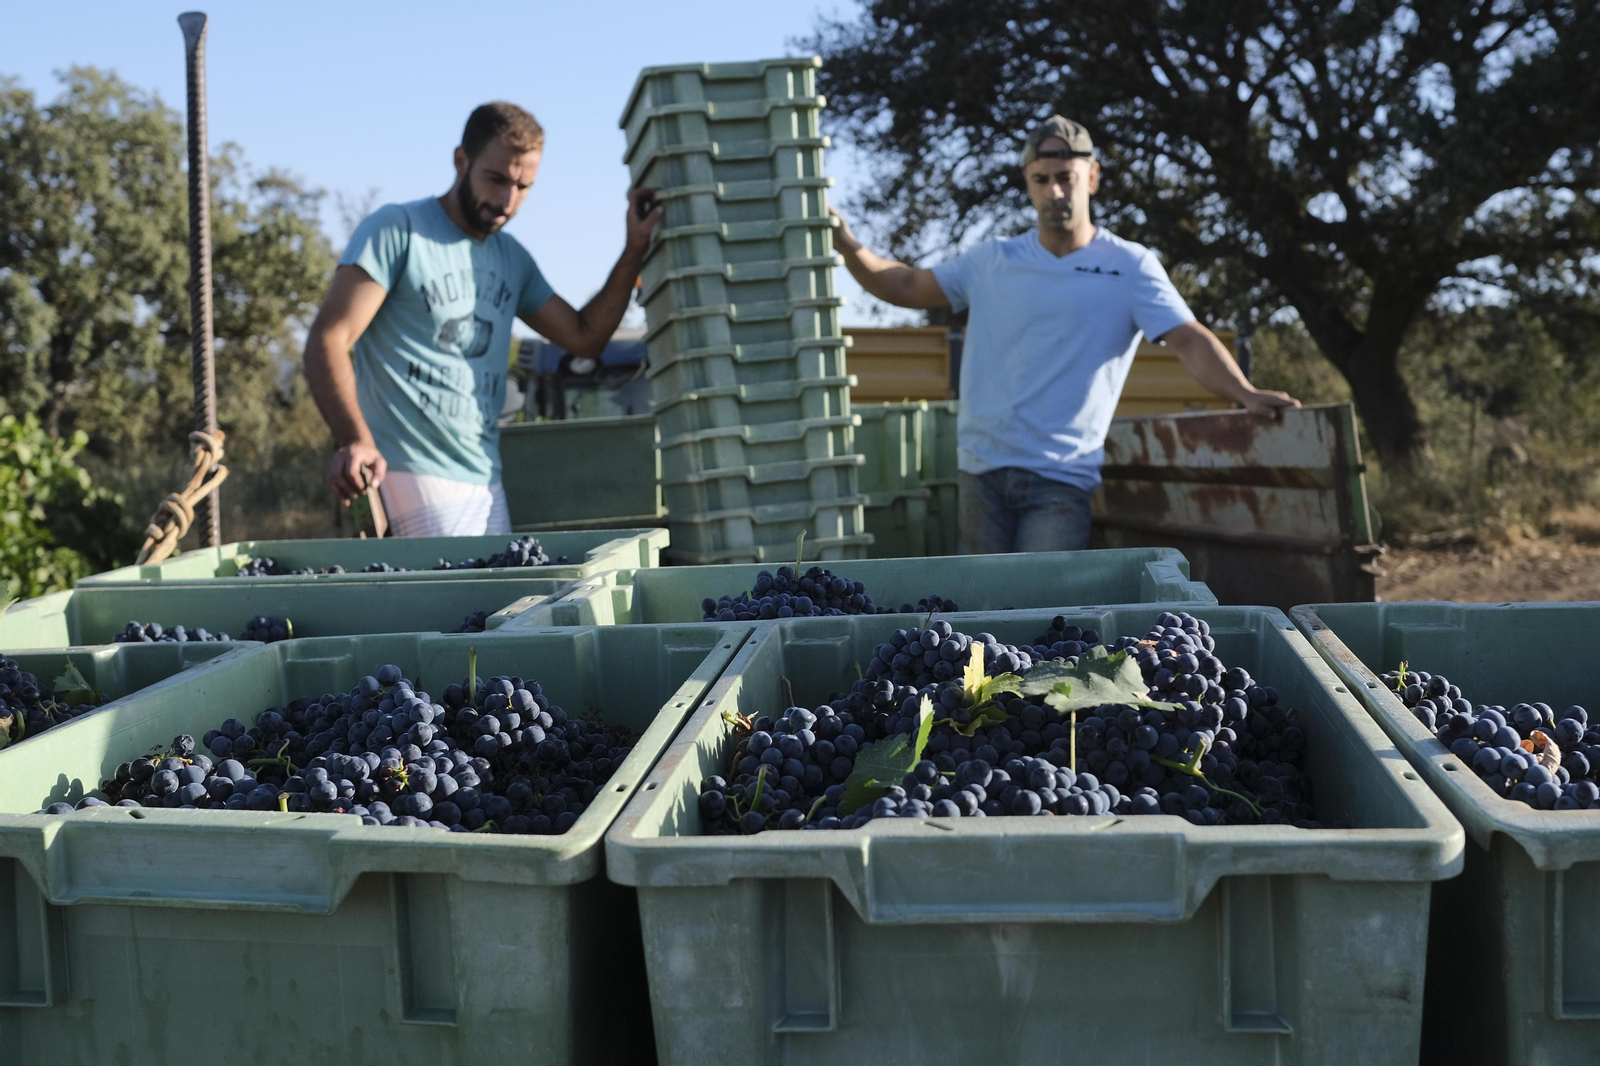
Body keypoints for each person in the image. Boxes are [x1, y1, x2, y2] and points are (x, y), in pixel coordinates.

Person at [833, 115, 1300, 554]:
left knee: (1041, 620)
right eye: (1042, 179)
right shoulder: (992, 261)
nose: (1055, 191)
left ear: (1092, 178)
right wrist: (848, 245)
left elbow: (1188, 338)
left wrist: (1245, 393)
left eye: (1066, 177)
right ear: (1028, 184)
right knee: (977, 623)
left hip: (1061, 478)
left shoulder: (1129, 266)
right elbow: (907, 284)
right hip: (981, 472)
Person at [304, 101, 662, 536]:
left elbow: (584, 338)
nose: (507, 201)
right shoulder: (398, 230)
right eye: (496, 179)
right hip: (407, 474)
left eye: (523, 186)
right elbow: (329, 338)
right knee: (447, 602)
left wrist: (634, 250)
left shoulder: (511, 258)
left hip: (484, 479)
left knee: (495, 603)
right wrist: (354, 439)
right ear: (461, 160)